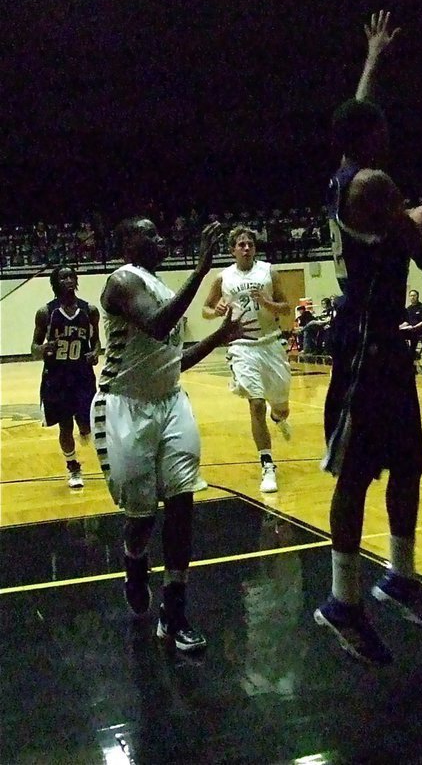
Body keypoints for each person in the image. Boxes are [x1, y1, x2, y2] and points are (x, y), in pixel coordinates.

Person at [313, 11, 422, 666]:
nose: (388, 125)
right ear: (372, 139)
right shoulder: (375, 186)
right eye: (383, 124)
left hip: (388, 347)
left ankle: (400, 575)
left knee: (409, 464)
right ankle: (342, 600)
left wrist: (373, 54)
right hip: (363, 348)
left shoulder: (350, 167)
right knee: (355, 477)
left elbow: (361, 106)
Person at [92, 218, 242, 652]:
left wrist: (218, 336)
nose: (159, 240)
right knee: (142, 517)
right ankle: (134, 561)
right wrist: (200, 271)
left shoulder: (160, 286)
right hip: (125, 406)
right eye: (149, 235)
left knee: (181, 501)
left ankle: (174, 613)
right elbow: (157, 326)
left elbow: (173, 360)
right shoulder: (121, 282)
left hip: (171, 403)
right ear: (127, 244)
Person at [202, 225, 292, 493]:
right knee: (255, 404)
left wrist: (267, 302)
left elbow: (286, 307)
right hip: (241, 346)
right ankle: (267, 464)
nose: (246, 248)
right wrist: (216, 310)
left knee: (281, 408)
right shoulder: (223, 278)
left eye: (250, 244)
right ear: (232, 250)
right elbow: (205, 310)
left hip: (271, 343)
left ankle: (279, 418)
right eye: (241, 244)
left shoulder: (269, 272)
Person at [31, 266, 101, 488]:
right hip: (57, 377)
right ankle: (73, 468)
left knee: (86, 424)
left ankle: (84, 430)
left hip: (82, 375)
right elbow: (33, 347)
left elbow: (96, 341)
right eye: (64, 278)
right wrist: (43, 349)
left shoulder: (90, 310)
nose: (69, 280)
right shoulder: (46, 313)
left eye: (72, 276)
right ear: (55, 283)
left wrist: (96, 353)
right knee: (65, 426)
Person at [398, 289, 422, 354]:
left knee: (413, 333)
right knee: (399, 333)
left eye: (414, 295)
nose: (412, 297)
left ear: (417, 296)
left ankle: (412, 352)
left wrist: (415, 327)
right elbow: (407, 321)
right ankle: (404, 352)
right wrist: (400, 326)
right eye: (411, 296)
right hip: (410, 328)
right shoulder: (408, 309)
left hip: (421, 328)